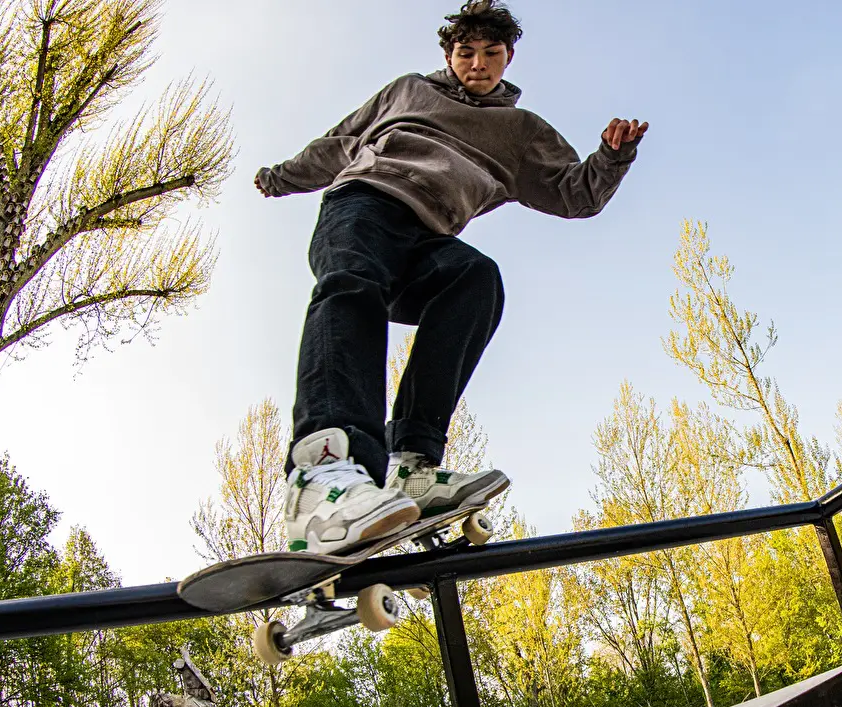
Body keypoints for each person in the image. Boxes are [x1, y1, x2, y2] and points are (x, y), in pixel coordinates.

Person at [255, 0, 649, 554]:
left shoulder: (520, 132)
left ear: (509, 58)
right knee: (351, 287)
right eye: (466, 53)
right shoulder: (408, 91)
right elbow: (339, 144)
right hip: (363, 204)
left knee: (475, 279)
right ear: (449, 54)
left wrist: (612, 157)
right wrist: (280, 177)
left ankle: (412, 463)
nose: (478, 65)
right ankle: (324, 471)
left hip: (428, 237)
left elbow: (574, 193)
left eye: (491, 54)